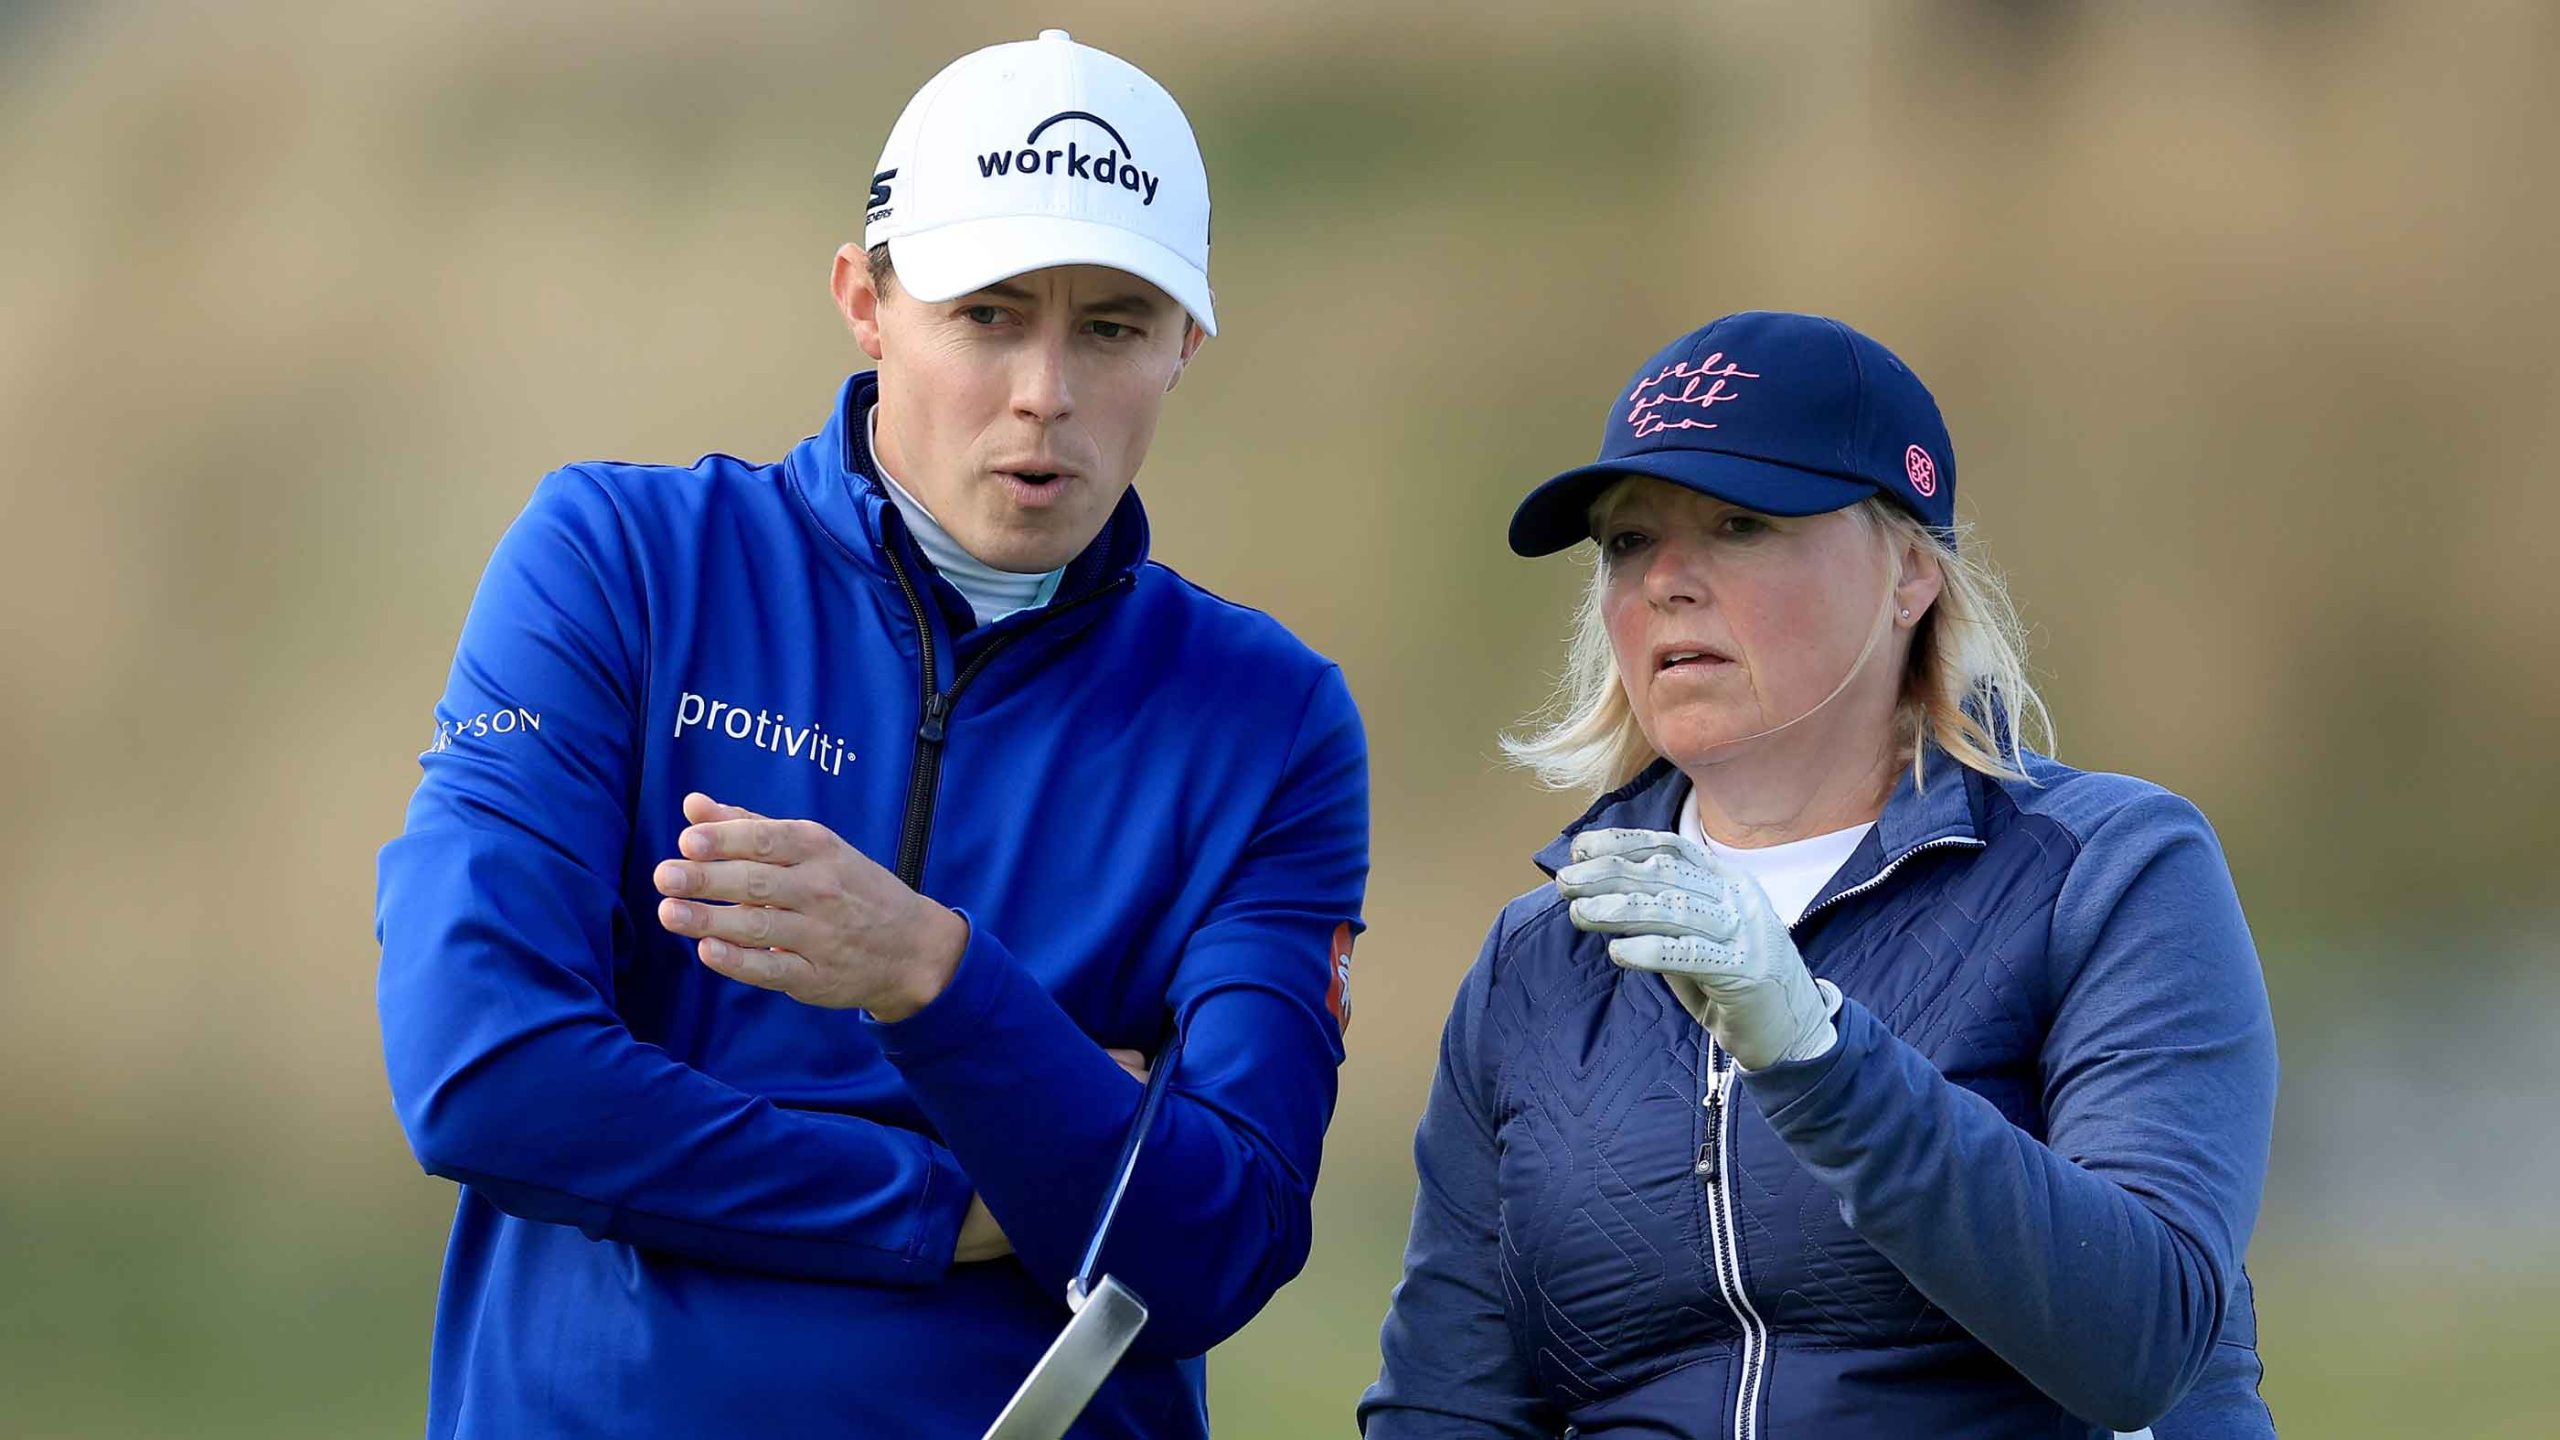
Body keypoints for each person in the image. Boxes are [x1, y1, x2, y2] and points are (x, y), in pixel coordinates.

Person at [375, 30, 1367, 1440]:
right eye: (989, 315)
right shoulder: (621, 565)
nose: (1046, 391)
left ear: (1185, 344)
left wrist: (938, 978)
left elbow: (1215, 1239)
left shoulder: (1267, 719)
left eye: (1113, 327)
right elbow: (489, 1074)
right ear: (868, 299)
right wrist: (970, 1195)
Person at [1359, 311, 2277, 1439]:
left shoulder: (2110, 872)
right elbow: (1448, 1409)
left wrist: (1816, 1055)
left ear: (1906, 572)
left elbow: (2144, 1340)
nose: (1665, 583)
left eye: (1739, 524)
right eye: (1626, 543)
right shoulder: (1537, 961)